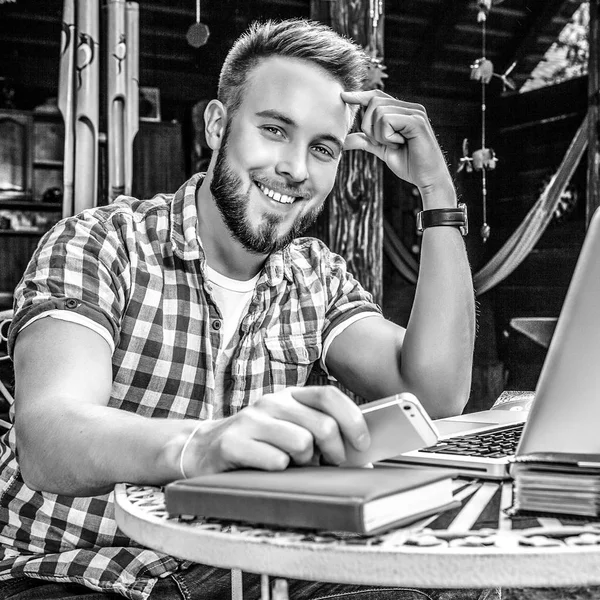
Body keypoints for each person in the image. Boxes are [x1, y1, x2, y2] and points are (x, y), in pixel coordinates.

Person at [0, 18, 484, 600]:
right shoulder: (102, 243)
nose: (296, 169)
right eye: (275, 130)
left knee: (437, 589)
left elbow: (435, 392)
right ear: (215, 124)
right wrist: (200, 445)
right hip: (79, 571)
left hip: (247, 567)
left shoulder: (315, 275)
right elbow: (49, 436)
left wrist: (438, 192)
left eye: (322, 148)